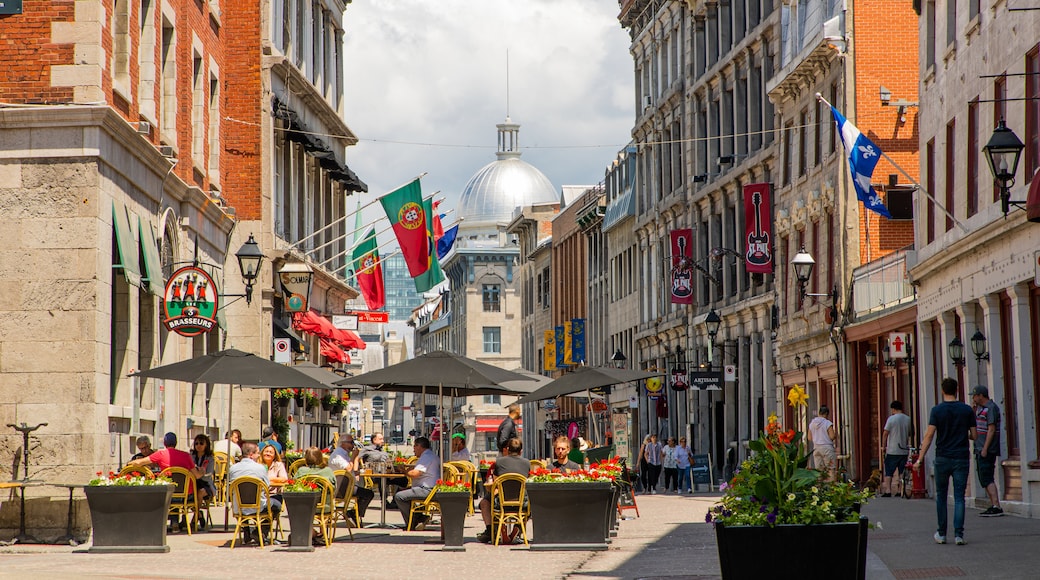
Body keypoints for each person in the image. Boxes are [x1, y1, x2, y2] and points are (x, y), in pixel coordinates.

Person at [916, 377, 977, 545]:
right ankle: (959, 535)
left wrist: (920, 459)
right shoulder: (966, 410)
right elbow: (975, 435)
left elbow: (929, 436)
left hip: (942, 457)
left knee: (941, 496)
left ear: (942, 391)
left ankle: (941, 534)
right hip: (961, 457)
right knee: (959, 497)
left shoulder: (937, 410)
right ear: (957, 390)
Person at [477, 437, 528, 543]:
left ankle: (494, 530)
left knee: (486, 502)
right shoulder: (527, 463)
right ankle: (517, 528)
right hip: (521, 503)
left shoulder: (499, 462)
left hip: (501, 503)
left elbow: (496, 483)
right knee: (531, 503)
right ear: (521, 451)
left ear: (508, 449)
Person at [229, 442, 282, 545]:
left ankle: (247, 532)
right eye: (258, 453)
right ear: (251, 455)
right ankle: (260, 532)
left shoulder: (233, 468)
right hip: (258, 506)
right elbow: (267, 486)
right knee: (277, 504)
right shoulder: (260, 468)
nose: (259, 455)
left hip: (238, 507)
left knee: (243, 502)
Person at [393, 437, 441, 531]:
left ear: (419, 446)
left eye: (414, 446)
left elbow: (415, 474)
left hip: (427, 489)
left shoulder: (426, 457)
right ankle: (419, 518)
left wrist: (403, 470)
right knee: (402, 491)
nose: (413, 449)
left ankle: (412, 522)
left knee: (399, 496)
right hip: (428, 488)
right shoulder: (430, 455)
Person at [971, 385, 1004, 517]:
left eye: (974, 396)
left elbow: (991, 429)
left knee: (987, 476)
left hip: (987, 449)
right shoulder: (980, 409)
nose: (973, 398)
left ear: (980, 395)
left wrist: (985, 448)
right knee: (983, 477)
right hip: (979, 448)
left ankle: (996, 505)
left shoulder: (991, 408)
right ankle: (993, 504)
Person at [295, 446, 336, 545]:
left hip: (305, 507)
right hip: (324, 507)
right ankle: (322, 533)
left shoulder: (301, 471)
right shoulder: (328, 471)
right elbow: (334, 488)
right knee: (326, 499)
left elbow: (294, 486)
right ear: (321, 457)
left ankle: (312, 533)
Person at [881, 400, 912, 497]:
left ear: (893, 409)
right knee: (902, 471)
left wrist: (883, 446)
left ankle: (888, 490)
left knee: (889, 470)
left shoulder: (891, 419)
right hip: (904, 449)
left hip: (892, 449)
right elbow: (911, 433)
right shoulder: (908, 419)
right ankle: (900, 490)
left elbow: (885, 433)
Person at [128, 432, 194, 472]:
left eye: (145, 447)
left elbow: (139, 462)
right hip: (185, 491)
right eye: (141, 449)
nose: (144, 450)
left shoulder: (159, 455)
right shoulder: (186, 455)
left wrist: (130, 464)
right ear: (176, 443)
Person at [809, 406, 837, 482]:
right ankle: (831, 488)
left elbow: (809, 438)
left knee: (819, 470)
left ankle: (819, 488)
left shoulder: (812, 423)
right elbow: (832, 436)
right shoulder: (827, 423)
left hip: (816, 448)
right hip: (827, 448)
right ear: (826, 414)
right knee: (830, 468)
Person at [190, 434, 216, 505]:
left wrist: (199, 475)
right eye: (196, 443)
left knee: (199, 492)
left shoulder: (210, 458)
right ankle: (196, 513)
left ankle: (197, 514)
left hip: (206, 484)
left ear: (206, 445)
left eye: (201, 443)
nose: (198, 445)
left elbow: (209, 475)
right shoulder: (191, 456)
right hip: (192, 483)